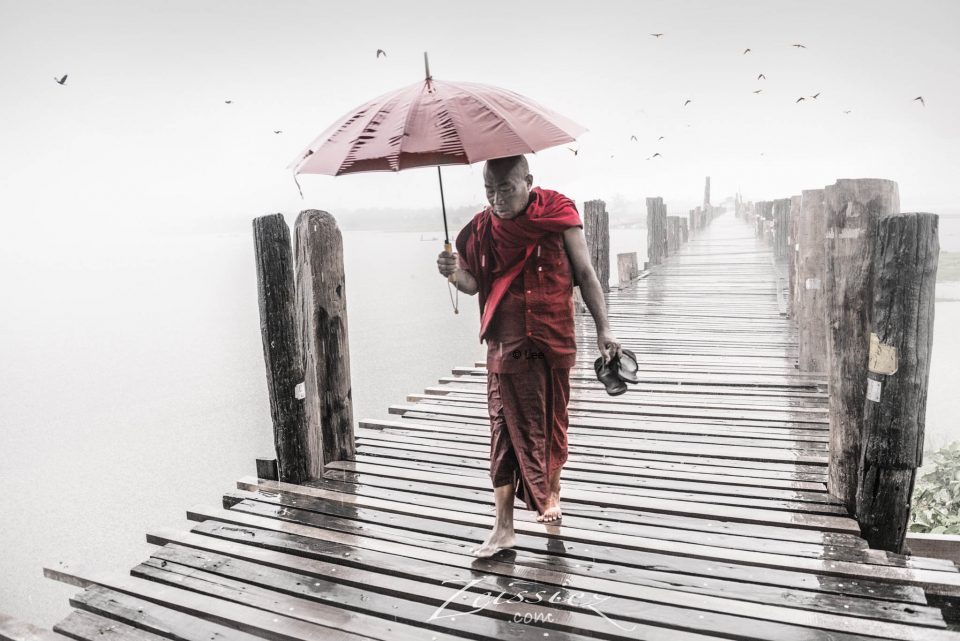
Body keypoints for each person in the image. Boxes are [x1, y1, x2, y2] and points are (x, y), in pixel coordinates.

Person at [436, 154, 621, 558]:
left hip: (552, 337)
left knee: (550, 422)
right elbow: (472, 284)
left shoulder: (557, 213)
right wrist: (452, 272)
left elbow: (586, 274)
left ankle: (551, 489)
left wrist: (604, 328)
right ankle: (503, 527)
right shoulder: (481, 229)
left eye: (505, 189)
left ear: (528, 182)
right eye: (489, 191)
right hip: (504, 341)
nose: (496, 199)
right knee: (502, 428)